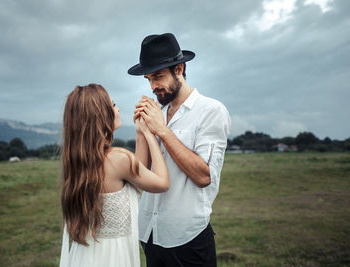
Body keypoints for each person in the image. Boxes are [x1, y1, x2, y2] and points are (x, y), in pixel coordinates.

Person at [128, 33, 231, 267]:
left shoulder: (211, 110)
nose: (153, 86)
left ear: (179, 69)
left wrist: (162, 131)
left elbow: (204, 176)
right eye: (148, 79)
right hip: (150, 234)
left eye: (158, 76)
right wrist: (141, 131)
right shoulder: (158, 113)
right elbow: (140, 175)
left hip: (188, 238)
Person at [59, 84, 169, 267]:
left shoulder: (79, 163)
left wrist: (140, 133)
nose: (118, 109)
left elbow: (136, 177)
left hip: (85, 255)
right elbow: (162, 183)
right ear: (100, 114)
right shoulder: (118, 158)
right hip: (113, 258)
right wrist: (152, 134)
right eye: (113, 104)